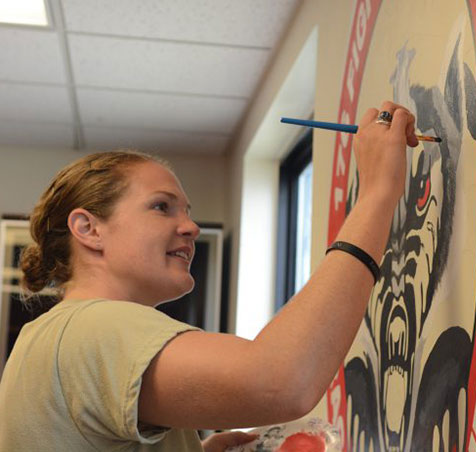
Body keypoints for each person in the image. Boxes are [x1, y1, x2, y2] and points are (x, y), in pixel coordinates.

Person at [0, 101, 417, 451]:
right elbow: (282, 382)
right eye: (162, 207)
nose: (190, 227)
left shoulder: (46, 337)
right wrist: (379, 192)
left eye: (187, 211)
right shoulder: (95, 326)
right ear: (89, 229)